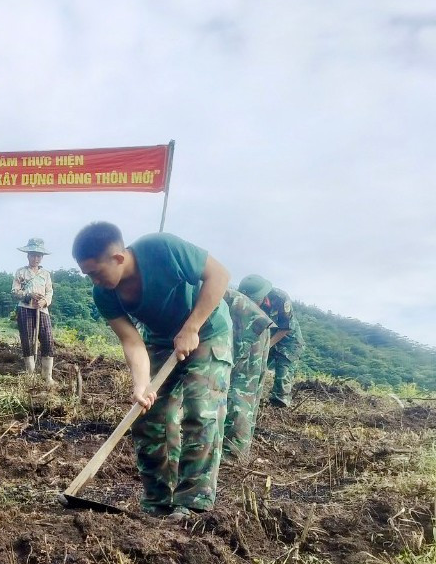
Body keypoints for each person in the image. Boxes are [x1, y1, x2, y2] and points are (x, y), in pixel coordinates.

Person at [72, 222, 232, 520]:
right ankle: (158, 502)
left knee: (201, 408)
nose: (93, 280)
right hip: (159, 339)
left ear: (118, 258)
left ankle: (194, 502)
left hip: (207, 329)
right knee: (148, 415)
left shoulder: (162, 249)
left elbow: (219, 275)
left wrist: (192, 327)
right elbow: (132, 342)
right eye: (87, 274)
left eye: (95, 272)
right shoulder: (104, 294)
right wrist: (141, 385)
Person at [222, 287, 273, 463]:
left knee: (239, 391)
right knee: (249, 392)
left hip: (251, 330)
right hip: (259, 327)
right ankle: (239, 451)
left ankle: (232, 455)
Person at [238, 275, 304, 408]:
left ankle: (279, 405)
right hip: (264, 335)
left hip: (287, 339)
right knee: (254, 367)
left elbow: (285, 328)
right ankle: (250, 397)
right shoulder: (241, 300)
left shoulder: (280, 298)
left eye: (254, 300)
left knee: (283, 372)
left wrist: (266, 346)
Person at [12, 238, 56, 384]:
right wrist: (28, 295)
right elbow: (15, 292)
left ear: (42, 257)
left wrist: (45, 301)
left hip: (42, 310)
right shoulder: (21, 272)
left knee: (48, 339)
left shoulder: (46, 274)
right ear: (28, 255)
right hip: (25, 309)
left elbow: (49, 292)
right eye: (33, 255)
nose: (35, 258)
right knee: (28, 340)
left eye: (38, 256)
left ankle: (47, 376)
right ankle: (30, 375)